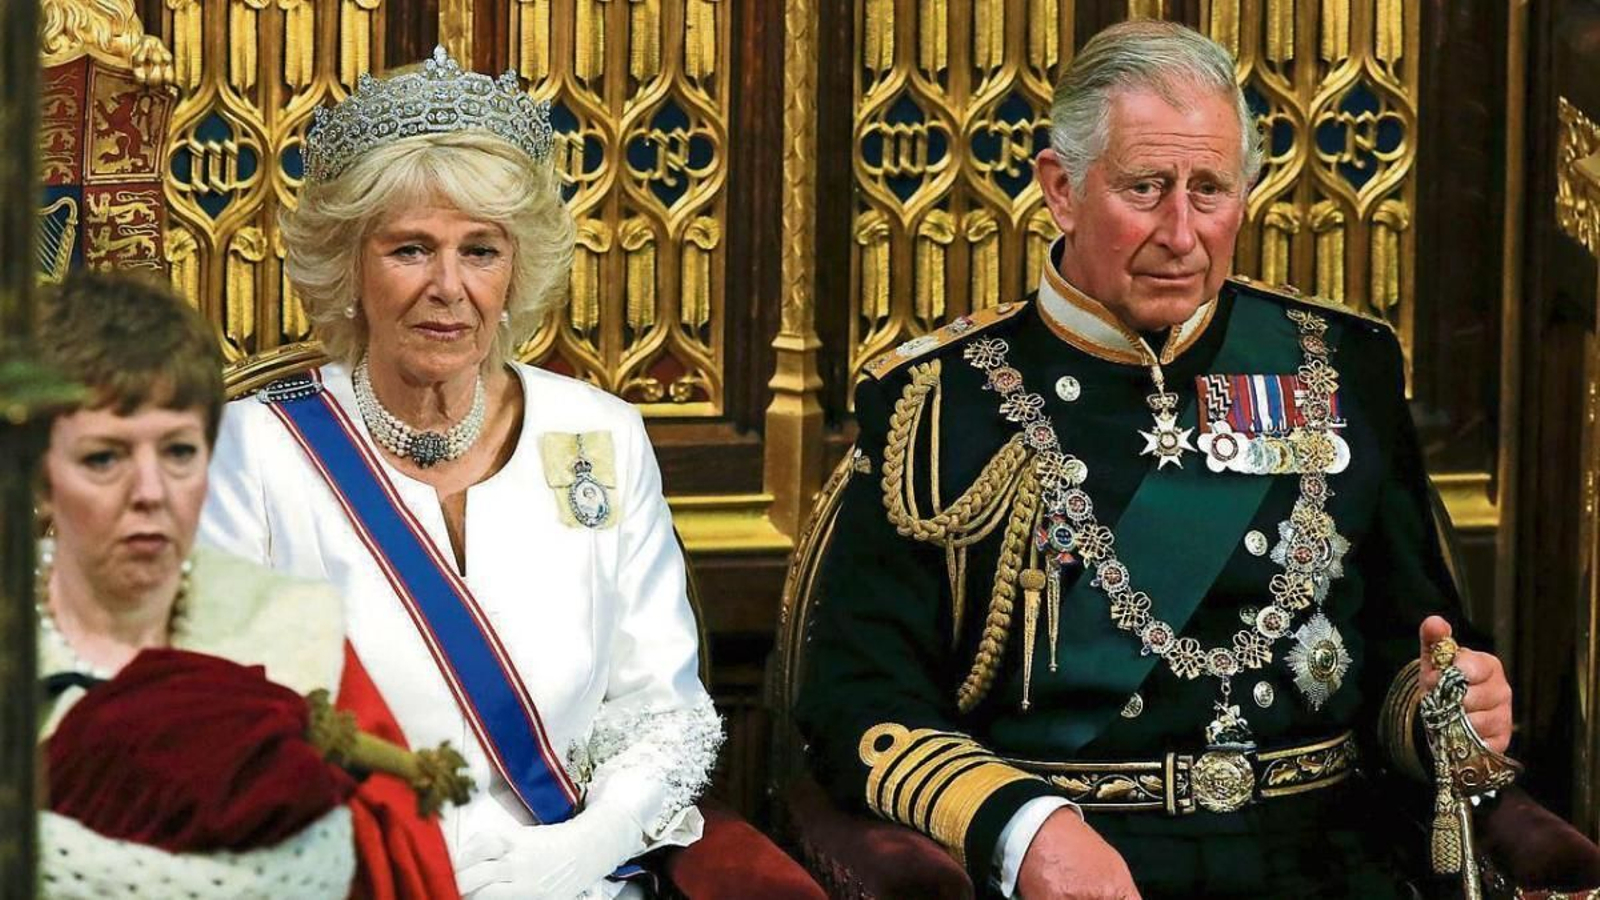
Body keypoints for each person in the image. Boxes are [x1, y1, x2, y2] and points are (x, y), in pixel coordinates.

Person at [795, 20, 1514, 900]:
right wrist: (1023, 830)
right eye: (1146, 188)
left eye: (1210, 190)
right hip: (1084, 867)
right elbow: (858, 702)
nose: (1182, 232)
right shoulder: (940, 405)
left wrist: (1451, 701)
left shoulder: (1339, 364)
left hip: (1327, 862)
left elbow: (1416, 637)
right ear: (1060, 190)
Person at [199, 47, 722, 900]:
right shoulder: (250, 455)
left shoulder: (601, 434)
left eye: (480, 251)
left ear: (516, 270)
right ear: (349, 267)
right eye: (411, 249)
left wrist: (583, 847)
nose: (449, 288)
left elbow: (662, 708)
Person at [31, 270, 459, 899]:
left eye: (179, 453)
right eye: (104, 458)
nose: (151, 493)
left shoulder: (291, 631)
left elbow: (399, 863)